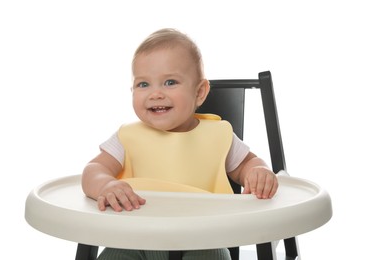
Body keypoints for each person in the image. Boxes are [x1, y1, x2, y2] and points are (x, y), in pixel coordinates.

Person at [81, 28, 278, 260]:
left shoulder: (217, 136)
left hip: (203, 240)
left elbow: (247, 163)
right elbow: (94, 170)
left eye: (170, 82)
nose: (155, 94)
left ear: (200, 92)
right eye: (143, 85)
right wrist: (105, 185)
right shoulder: (127, 137)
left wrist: (258, 172)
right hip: (136, 238)